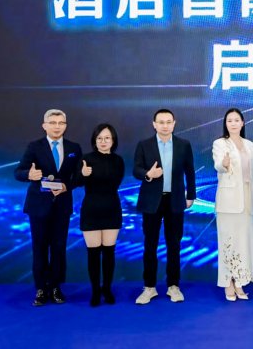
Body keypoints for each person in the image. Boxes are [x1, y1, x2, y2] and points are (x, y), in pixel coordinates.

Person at [14, 109, 83, 306]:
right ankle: (41, 289)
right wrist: (29, 175)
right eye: (52, 123)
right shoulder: (34, 146)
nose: (57, 126)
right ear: (44, 125)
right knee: (40, 248)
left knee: (59, 248)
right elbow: (18, 172)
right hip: (38, 206)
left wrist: (67, 186)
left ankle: (55, 287)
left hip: (62, 206)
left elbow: (79, 177)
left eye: (61, 123)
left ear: (65, 126)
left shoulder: (74, 148)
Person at [133, 109, 196, 305]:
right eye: (161, 122)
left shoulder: (183, 145)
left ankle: (173, 286)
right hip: (151, 201)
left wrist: (191, 195)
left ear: (174, 123)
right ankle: (149, 287)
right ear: (154, 124)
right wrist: (148, 174)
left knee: (174, 244)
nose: (165, 125)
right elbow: (136, 169)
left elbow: (190, 171)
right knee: (150, 245)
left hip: (175, 200)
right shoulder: (144, 145)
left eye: (169, 122)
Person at [212, 108, 253, 301]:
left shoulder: (250, 145)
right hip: (228, 201)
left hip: (247, 201)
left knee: (243, 242)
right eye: (229, 120)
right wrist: (224, 164)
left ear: (242, 123)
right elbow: (218, 165)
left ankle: (240, 281)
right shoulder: (219, 143)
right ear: (225, 124)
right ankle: (228, 283)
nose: (233, 123)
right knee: (228, 242)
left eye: (236, 120)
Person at [77, 123, 125, 307]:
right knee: (93, 254)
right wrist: (83, 174)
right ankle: (95, 291)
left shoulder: (118, 160)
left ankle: (107, 289)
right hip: (91, 209)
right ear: (94, 140)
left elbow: (114, 183)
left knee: (109, 253)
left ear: (113, 141)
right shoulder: (86, 159)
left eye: (107, 138)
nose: (103, 141)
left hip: (111, 208)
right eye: (99, 138)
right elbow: (75, 182)